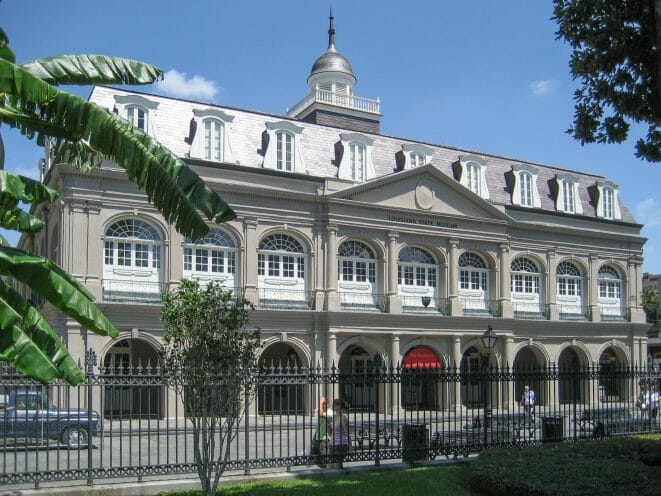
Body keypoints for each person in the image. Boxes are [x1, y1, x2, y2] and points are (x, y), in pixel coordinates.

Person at [329, 398, 350, 468]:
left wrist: (350, 447)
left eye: (334, 404)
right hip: (332, 444)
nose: (333, 406)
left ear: (339, 406)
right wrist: (328, 427)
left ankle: (342, 477)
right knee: (329, 467)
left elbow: (347, 433)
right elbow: (331, 432)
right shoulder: (333, 417)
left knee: (337, 467)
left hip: (340, 445)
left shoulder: (343, 417)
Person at [312, 396, 332, 467]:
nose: (323, 405)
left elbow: (321, 414)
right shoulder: (322, 412)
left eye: (325, 403)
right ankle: (324, 470)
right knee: (314, 458)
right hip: (318, 437)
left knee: (324, 459)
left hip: (324, 439)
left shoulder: (330, 413)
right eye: (322, 404)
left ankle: (326, 471)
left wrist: (320, 402)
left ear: (328, 404)